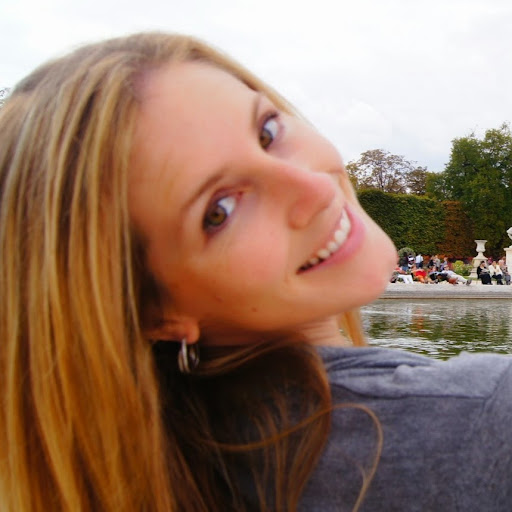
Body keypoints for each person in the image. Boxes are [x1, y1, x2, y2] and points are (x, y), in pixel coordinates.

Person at [2, 32, 512, 512]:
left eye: (267, 132)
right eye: (219, 211)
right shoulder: (479, 422)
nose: (315, 188)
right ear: (156, 313)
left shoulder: (142, 473)